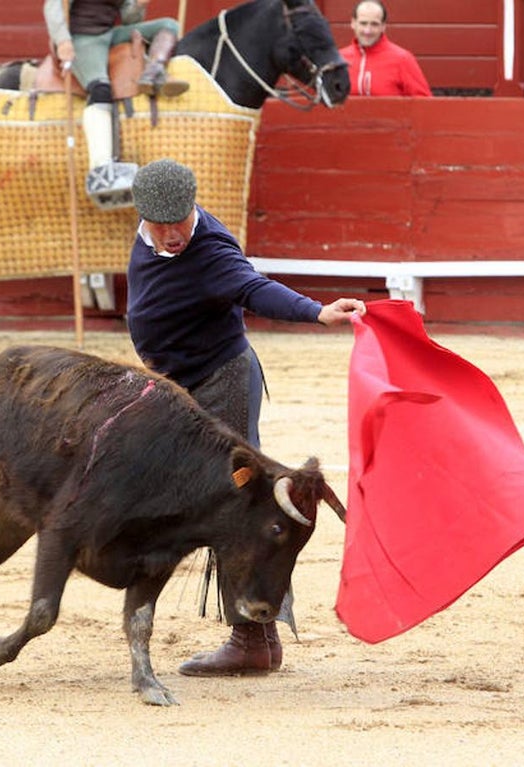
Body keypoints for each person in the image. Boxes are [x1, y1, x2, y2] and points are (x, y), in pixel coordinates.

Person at [126, 158, 366, 676]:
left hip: (220, 381)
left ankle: (251, 638)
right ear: (142, 216)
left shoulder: (209, 248)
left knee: (237, 500)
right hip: (178, 385)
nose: (173, 235)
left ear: (194, 208)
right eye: (160, 225)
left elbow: (252, 287)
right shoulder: (153, 231)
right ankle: (260, 639)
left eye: (181, 222)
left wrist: (315, 311)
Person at [44, 1, 190, 207]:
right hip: (82, 40)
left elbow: (130, 19)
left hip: (111, 35)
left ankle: (154, 71)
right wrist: (63, 41)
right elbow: (53, 6)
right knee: (100, 88)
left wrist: (137, 6)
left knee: (169, 25)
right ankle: (101, 168)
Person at [339, 1, 431, 97]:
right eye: (363, 23)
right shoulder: (339, 59)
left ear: (383, 26)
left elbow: (424, 103)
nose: (367, 30)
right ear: (353, 23)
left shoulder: (402, 59)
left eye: (374, 24)